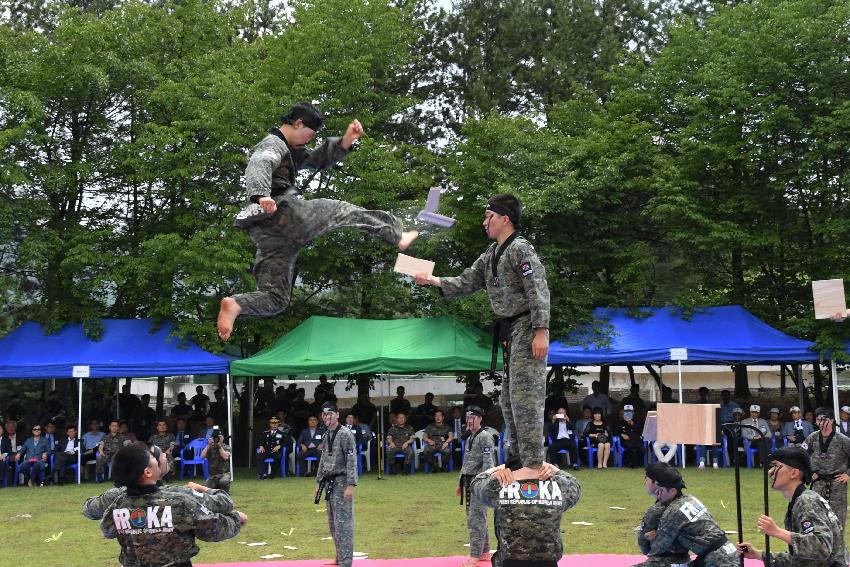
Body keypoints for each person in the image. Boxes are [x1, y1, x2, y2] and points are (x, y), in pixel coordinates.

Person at [217, 102, 419, 340]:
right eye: (309, 134)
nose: (308, 140)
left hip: (268, 232)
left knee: (276, 298)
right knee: (342, 211)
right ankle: (396, 234)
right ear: (298, 123)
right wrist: (261, 195)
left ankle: (236, 305)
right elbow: (260, 163)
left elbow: (316, 158)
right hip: (284, 214)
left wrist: (346, 141)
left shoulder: (292, 149)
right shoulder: (273, 144)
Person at [414, 193, 550, 473]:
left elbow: (538, 290)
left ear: (505, 219)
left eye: (489, 216)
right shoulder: (490, 255)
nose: (484, 222)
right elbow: (466, 281)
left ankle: (534, 464)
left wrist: (541, 331)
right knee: (509, 398)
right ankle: (518, 459)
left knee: (526, 398)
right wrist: (433, 280)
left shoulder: (521, 250)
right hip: (509, 330)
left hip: (526, 325)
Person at [100, 443, 246, 566]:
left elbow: (107, 530)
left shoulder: (118, 504)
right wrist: (236, 518)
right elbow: (214, 530)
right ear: (148, 472)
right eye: (154, 459)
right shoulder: (178, 503)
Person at [738, 446, 847, 567]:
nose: (769, 472)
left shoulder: (807, 502)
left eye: (775, 466)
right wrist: (757, 554)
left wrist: (778, 532)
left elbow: (822, 547)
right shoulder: (800, 500)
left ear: (794, 473)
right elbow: (802, 559)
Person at [470, 461, 582, 567]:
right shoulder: (556, 487)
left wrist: (496, 470)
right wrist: (552, 468)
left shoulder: (499, 487)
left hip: (509, 560)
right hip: (547, 560)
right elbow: (575, 484)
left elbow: (476, 484)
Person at [643, 462, 738, 565]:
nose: (658, 494)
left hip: (717, 561)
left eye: (660, 491)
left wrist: (653, 537)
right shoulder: (690, 499)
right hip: (729, 555)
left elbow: (658, 549)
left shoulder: (673, 511)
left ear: (673, 491)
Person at [314, 402, 358, 567]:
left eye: (330, 413)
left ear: (337, 415)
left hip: (342, 482)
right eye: (324, 414)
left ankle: (346, 562)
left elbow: (352, 460)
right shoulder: (326, 435)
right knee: (333, 523)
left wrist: (350, 485)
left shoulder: (345, 434)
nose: (327, 417)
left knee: (343, 524)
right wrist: (318, 483)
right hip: (329, 483)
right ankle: (339, 557)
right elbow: (323, 461)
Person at [802, 406, 850, 540]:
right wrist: (809, 472)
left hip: (837, 482)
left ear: (832, 421)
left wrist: (848, 474)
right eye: (819, 420)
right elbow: (801, 455)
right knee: (815, 514)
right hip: (818, 482)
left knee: (838, 517)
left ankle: (838, 552)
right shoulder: (812, 437)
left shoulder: (842, 439)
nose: (822, 423)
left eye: (825, 420)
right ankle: (819, 546)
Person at [457, 406, 496, 567]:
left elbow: (488, 463)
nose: (469, 421)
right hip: (468, 481)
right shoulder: (469, 438)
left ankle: (474, 555)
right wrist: (460, 482)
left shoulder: (485, 436)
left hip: (479, 482)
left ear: (480, 418)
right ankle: (485, 552)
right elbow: (466, 462)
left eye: (472, 418)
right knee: (476, 517)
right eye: (467, 418)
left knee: (476, 519)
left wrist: (484, 483)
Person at [631, 470, 690, 567]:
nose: (644, 483)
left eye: (647, 479)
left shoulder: (658, 510)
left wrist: (655, 536)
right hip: (687, 560)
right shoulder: (689, 500)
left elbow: (646, 548)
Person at [202, 426, 232, 492]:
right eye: (216, 437)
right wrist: (208, 445)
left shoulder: (226, 447)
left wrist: (219, 447)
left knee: (224, 482)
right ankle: (216, 487)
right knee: (204, 488)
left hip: (224, 474)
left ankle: (225, 490)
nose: (218, 439)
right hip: (213, 476)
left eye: (219, 437)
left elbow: (226, 457)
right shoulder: (210, 447)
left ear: (223, 438)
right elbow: (202, 456)